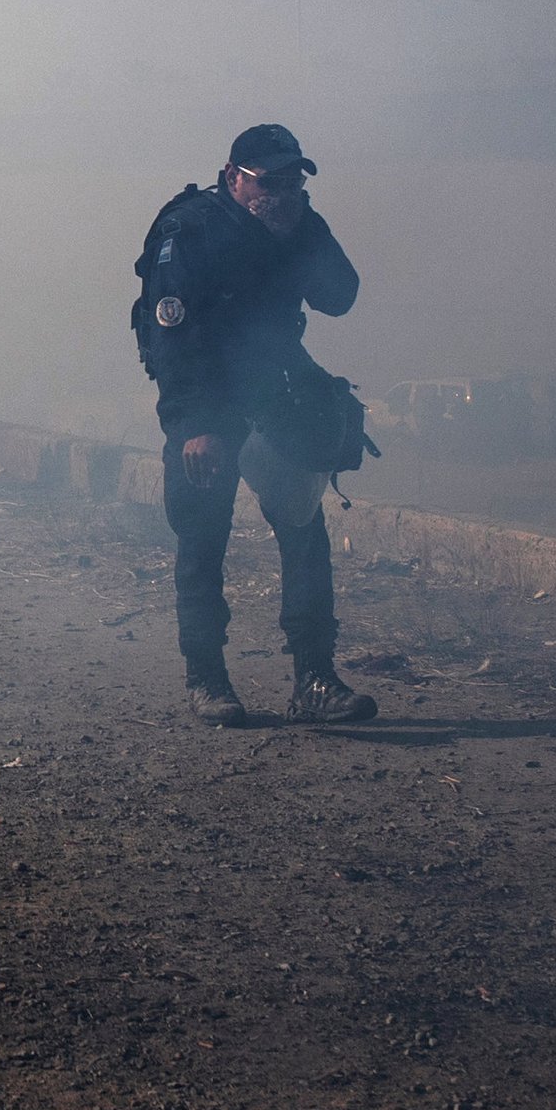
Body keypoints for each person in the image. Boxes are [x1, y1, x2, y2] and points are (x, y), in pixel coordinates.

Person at [133, 123, 378, 727]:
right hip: (207, 402)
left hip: (275, 391)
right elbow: (170, 336)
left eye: (294, 182)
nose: (282, 193)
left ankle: (315, 679)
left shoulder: (297, 224)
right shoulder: (188, 231)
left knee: (303, 527)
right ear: (234, 178)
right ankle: (207, 679)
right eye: (270, 183)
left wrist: (300, 233)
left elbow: (341, 295)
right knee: (203, 537)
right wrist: (194, 424)